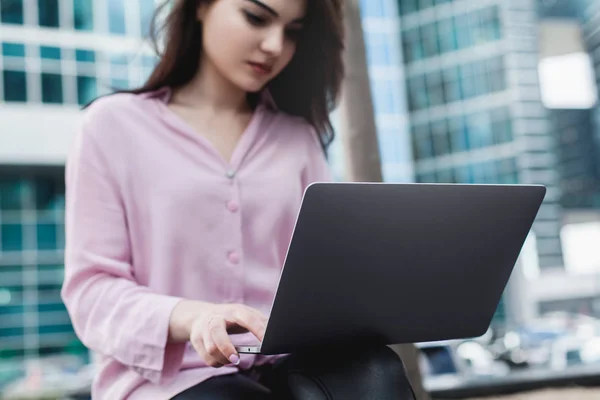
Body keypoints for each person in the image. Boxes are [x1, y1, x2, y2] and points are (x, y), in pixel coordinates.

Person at [61, 0, 415, 398]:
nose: (274, 46)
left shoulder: (298, 138)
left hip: (287, 366)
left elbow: (326, 271)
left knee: (376, 371)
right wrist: (194, 317)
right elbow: (92, 291)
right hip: (171, 382)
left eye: (293, 31)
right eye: (256, 17)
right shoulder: (111, 127)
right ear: (199, 7)